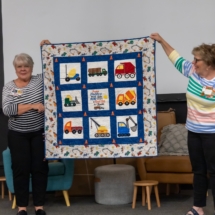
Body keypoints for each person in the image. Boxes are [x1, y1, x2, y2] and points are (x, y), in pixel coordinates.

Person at [150, 33, 215, 215]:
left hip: (212, 134)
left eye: (197, 60)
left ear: (209, 64)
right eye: (193, 59)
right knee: (198, 170)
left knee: (214, 171)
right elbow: (175, 57)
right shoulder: (193, 72)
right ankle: (198, 208)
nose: (193, 63)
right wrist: (162, 41)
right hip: (193, 132)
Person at [2, 40, 51, 215]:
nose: (23, 69)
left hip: (39, 133)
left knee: (40, 168)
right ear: (15, 69)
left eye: (26, 66)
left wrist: (46, 48)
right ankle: (22, 207)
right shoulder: (9, 86)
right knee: (20, 169)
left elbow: (52, 66)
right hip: (17, 134)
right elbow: (8, 110)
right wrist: (32, 105)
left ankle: (39, 206)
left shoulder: (39, 81)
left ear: (31, 67)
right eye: (19, 66)